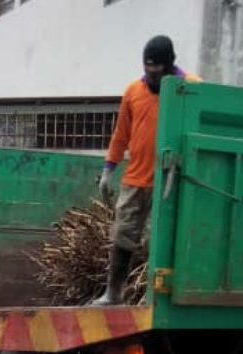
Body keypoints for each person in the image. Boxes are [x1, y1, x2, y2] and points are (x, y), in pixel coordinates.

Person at [94, 35, 199, 305]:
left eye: (158, 71)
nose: (152, 77)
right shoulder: (133, 91)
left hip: (168, 181)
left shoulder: (190, 88)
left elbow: (216, 113)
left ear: (169, 65)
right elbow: (121, 133)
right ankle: (113, 293)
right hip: (134, 179)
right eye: (148, 70)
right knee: (122, 236)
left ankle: (153, 297)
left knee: (157, 241)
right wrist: (109, 168)